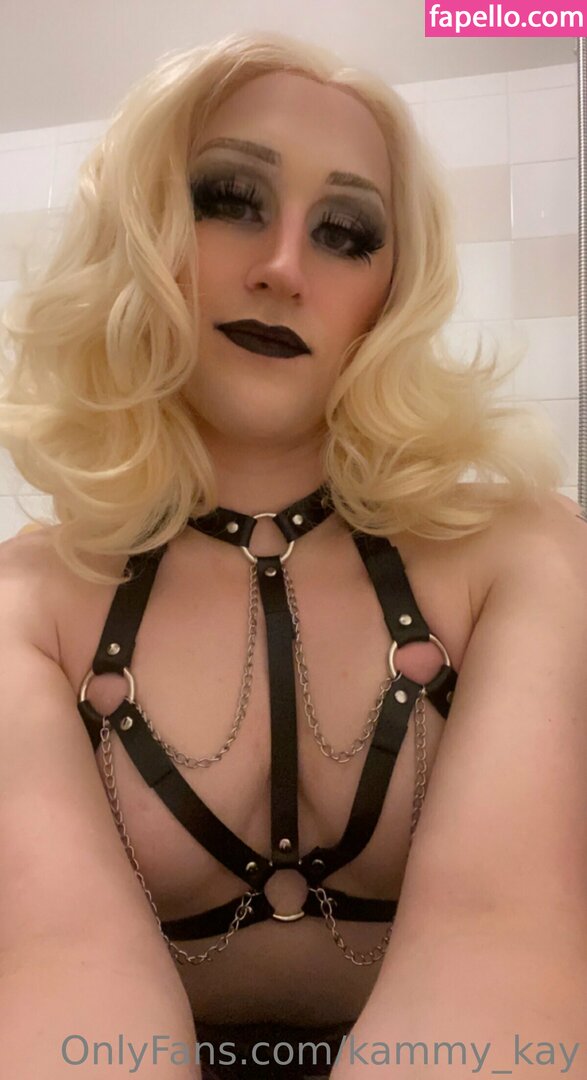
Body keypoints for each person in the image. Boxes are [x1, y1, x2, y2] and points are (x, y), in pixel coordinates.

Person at [0, 30, 585, 1080]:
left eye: (344, 231)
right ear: (141, 231)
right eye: (230, 200)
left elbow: (505, 949)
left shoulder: (522, 555)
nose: (280, 269)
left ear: (392, 287)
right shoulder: (23, 605)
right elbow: (55, 981)